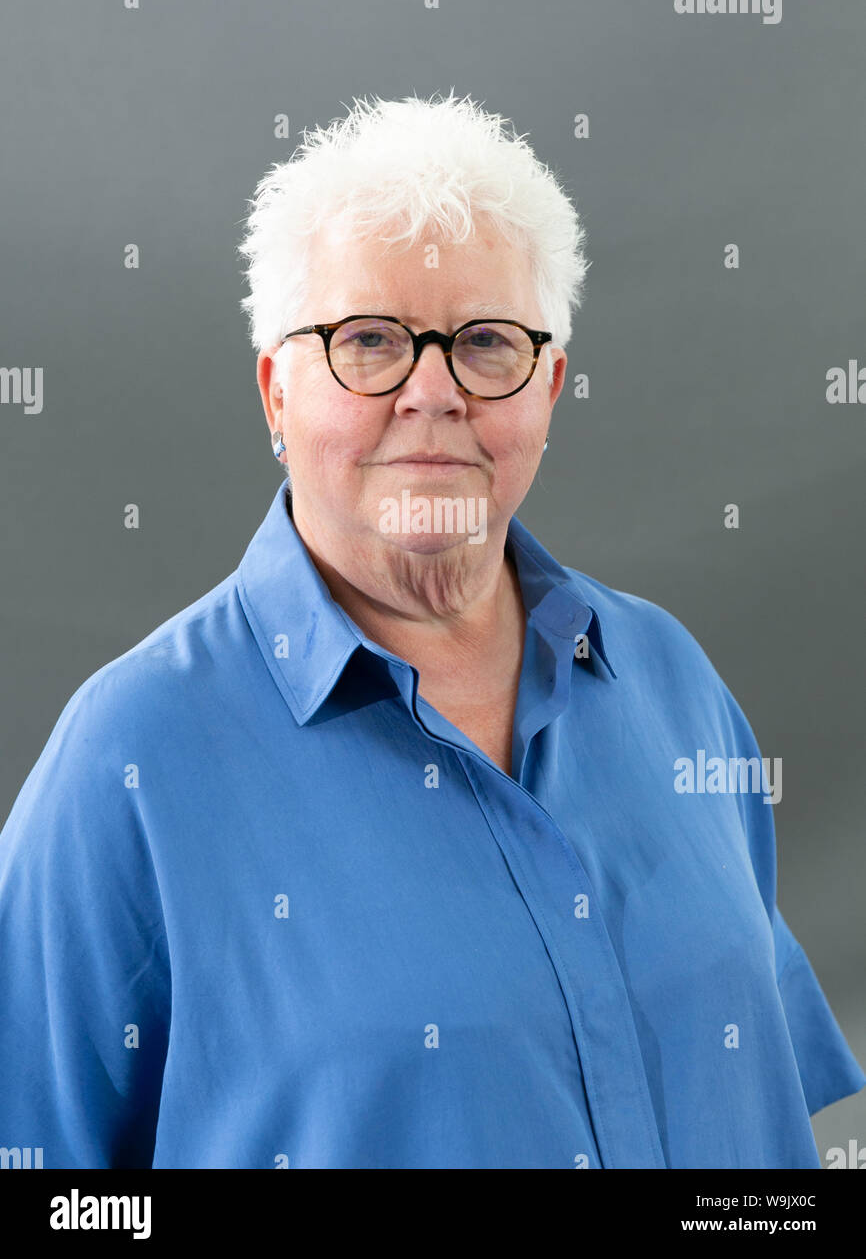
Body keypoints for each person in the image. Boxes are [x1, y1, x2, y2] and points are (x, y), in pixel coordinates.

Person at [0, 92, 862, 1169]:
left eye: (485, 343)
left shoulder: (670, 683)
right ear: (276, 391)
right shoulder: (127, 760)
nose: (432, 392)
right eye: (367, 340)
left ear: (544, 386)